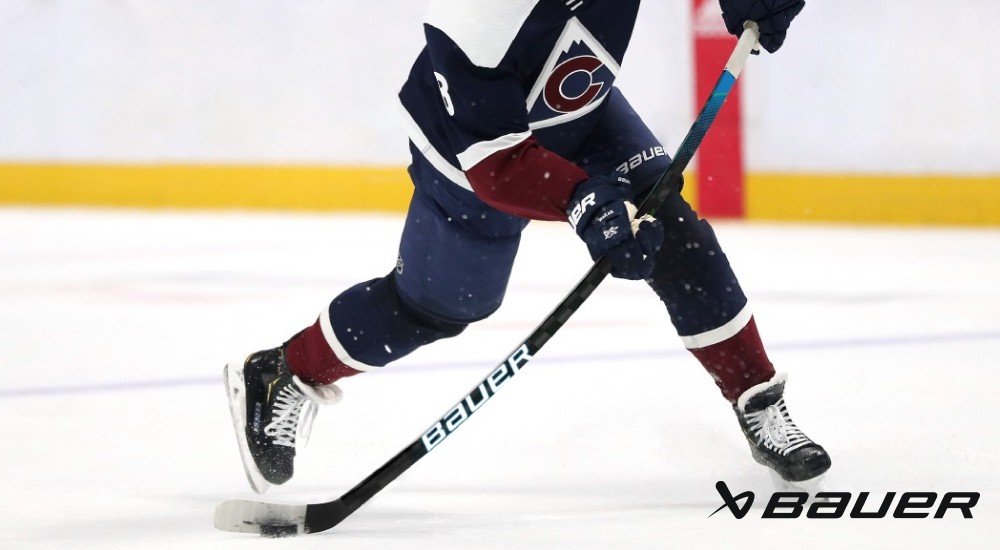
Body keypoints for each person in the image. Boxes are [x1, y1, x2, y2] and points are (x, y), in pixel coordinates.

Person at [223, 0, 828, 495]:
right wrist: (586, 205)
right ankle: (284, 372)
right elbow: (501, 166)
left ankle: (756, 399)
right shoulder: (474, 16)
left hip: (580, 105)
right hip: (470, 159)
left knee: (676, 235)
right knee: (436, 308)